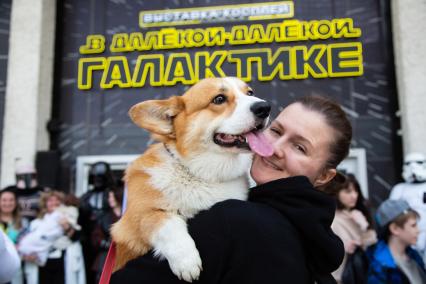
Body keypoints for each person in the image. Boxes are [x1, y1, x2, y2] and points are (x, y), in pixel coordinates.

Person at [110, 95, 352, 284]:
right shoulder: (315, 241)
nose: (274, 148)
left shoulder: (234, 222)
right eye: (276, 131)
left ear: (324, 176)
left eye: (300, 147)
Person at [20, 191, 86, 284]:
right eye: (50, 200)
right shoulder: (35, 223)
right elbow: (25, 243)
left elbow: (78, 237)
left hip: (63, 262)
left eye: (57, 200)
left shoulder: (70, 217)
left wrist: (66, 226)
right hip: (42, 264)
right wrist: (27, 255)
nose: (54, 203)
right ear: (45, 203)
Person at [330, 173, 377, 283]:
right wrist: (344, 247)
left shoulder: (359, 214)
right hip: (338, 277)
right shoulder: (332, 218)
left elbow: (372, 241)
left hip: (359, 274)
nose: (354, 196)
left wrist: (363, 225)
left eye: (356, 191)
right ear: (336, 193)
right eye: (348, 191)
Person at [367, 199, 426, 283]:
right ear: (394, 229)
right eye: (413, 225)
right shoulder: (380, 268)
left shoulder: (414, 256)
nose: (418, 231)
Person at [79, 161, 116, 284]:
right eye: (95, 177)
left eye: (100, 177)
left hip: (108, 238)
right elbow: (81, 221)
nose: (97, 180)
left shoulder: (113, 195)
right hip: (90, 241)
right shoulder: (86, 197)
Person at [390, 152, 426, 262]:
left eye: (418, 162)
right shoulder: (399, 189)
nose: (413, 166)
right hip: (406, 237)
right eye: (409, 163)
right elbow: (392, 214)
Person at [92, 187, 123, 283]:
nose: (110, 199)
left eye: (112, 197)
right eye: (109, 197)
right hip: (106, 256)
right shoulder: (105, 217)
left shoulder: (127, 216)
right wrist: (105, 243)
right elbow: (96, 237)